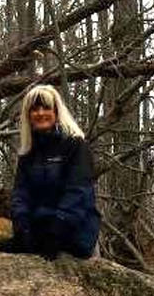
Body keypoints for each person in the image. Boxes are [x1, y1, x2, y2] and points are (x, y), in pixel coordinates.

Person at [10, 84, 100, 259]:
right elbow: (20, 193)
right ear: (28, 115)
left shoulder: (75, 145)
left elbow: (78, 191)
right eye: (34, 109)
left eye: (46, 107)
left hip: (74, 231)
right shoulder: (28, 152)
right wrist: (21, 223)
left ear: (57, 111)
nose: (40, 113)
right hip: (40, 230)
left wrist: (58, 226)